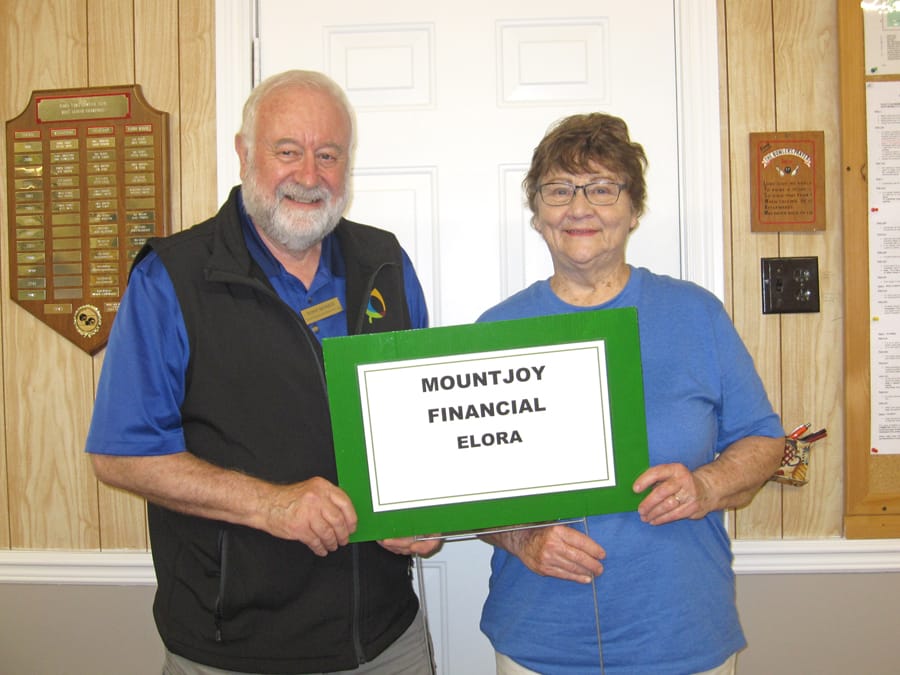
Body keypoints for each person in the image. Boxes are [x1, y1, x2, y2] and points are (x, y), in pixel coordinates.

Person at [85, 70, 440, 675]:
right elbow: (120, 453)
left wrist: (426, 513)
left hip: (385, 639)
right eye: (287, 151)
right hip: (231, 647)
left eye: (328, 155)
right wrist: (269, 505)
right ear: (245, 153)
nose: (309, 176)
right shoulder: (170, 278)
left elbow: (423, 421)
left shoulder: (384, 263)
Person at [477, 113, 785, 675]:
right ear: (538, 215)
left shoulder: (696, 315)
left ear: (634, 210)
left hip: (682, 632)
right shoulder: (497, 330)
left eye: (602, 188)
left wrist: (707, 484)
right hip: (539, 641)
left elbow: (765, 440)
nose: (579, 207)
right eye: (558, 190)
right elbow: (468, 487)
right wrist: (521, 539)